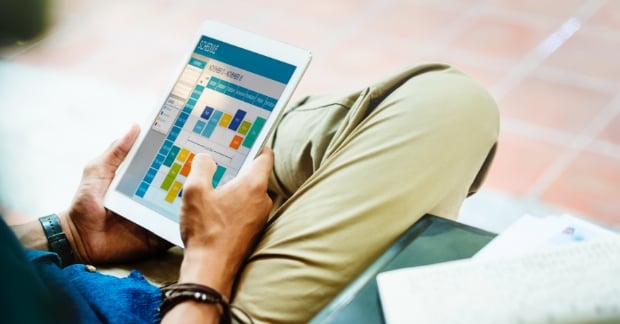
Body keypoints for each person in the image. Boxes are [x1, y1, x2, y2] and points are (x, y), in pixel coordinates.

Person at [4, 63, 499, 323]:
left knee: (262, 138)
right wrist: (210, 266)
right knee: (451, 104)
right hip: (192, 309)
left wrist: (66, 233)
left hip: (94, 282)